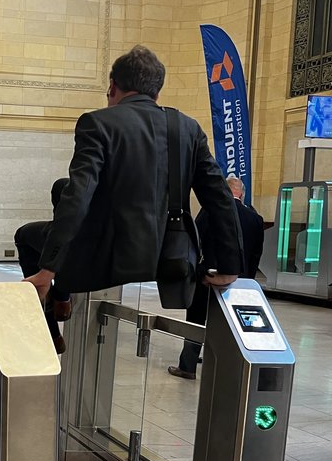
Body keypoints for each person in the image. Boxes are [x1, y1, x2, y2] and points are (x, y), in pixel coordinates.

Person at [24, 45, 242, 307]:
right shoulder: (186, 127)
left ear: (113, 86)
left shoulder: (97, 123)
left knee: (25, 235)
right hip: (169, 258)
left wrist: (49, 268)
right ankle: (60, 297)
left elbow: (78, 197)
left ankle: (55, 310)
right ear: (157, 92)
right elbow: (219, 197)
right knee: (62, 187)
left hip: (109, 260)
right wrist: (230, 265)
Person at [168, 177, 264, 380]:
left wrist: (199, 273)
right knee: (233, 323)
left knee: (196, 320)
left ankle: (188, 366)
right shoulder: (255, 219)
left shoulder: (210, 212)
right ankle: (230, 365)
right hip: (239, 283)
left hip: (208, 279)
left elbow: (195, 243)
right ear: (242, 194)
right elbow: (255, 255)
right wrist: (246, 280)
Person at [15, 178, 71, 353]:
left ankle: (54, 334)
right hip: (100, 241)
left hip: (70, 235)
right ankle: (62, 300)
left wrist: (46, 272)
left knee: (22, 234)